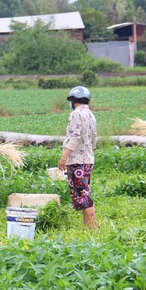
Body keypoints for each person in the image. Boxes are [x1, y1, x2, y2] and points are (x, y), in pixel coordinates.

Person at [58, 86, 98, 229]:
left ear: (73, 100)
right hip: (88, 159)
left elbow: (74, 137)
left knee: (82, 195)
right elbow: (94, 138)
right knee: (85, 192)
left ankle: (94, 226)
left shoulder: (76, 114)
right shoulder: (90, 114)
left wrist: (64, 157)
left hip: (77, 161)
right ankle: (87, 227)